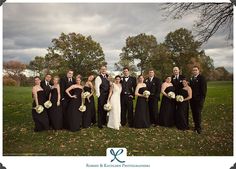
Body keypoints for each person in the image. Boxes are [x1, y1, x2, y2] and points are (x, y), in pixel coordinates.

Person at [190, 66, 207, 134]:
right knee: (194, 113)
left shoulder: (202, 78)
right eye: (193, 70)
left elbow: (204, 90)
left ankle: (199, 128)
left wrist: (201, 99)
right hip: (192, 100)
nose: (194, 71)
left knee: (198, 113)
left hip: (199, 100)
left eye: (196, 70)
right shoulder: (191, 78)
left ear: (198, 71)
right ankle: (195, 126)